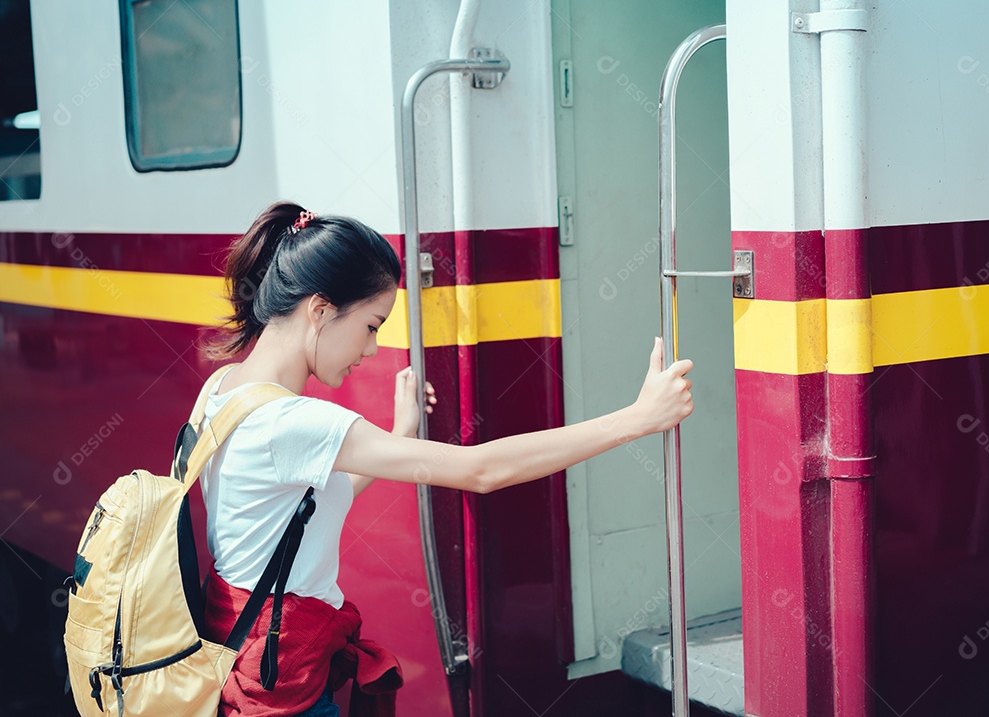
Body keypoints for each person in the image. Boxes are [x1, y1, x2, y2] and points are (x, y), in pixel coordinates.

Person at [198, 201, 694, 716]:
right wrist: (636, 420)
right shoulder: (292, 422)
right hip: (284, 692)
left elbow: (292, 515)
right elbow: (480, 470)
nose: (370, 349)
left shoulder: (223, 390)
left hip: (243, 668)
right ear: (320, 310)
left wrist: (401, 434)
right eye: (371, 326)